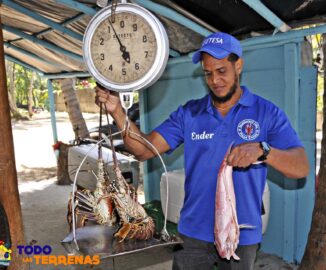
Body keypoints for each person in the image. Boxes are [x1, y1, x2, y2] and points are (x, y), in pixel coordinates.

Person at [95, 32, 310, 270]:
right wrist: (117, 111)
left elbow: (300, 167)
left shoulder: (266, 112)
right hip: (194, 231)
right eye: (208, 73)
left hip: (242, 234)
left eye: (221, 71)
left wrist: (263, 149)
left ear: (238, 65)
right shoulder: (189, 113)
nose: (215, 80)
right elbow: (144, 150)